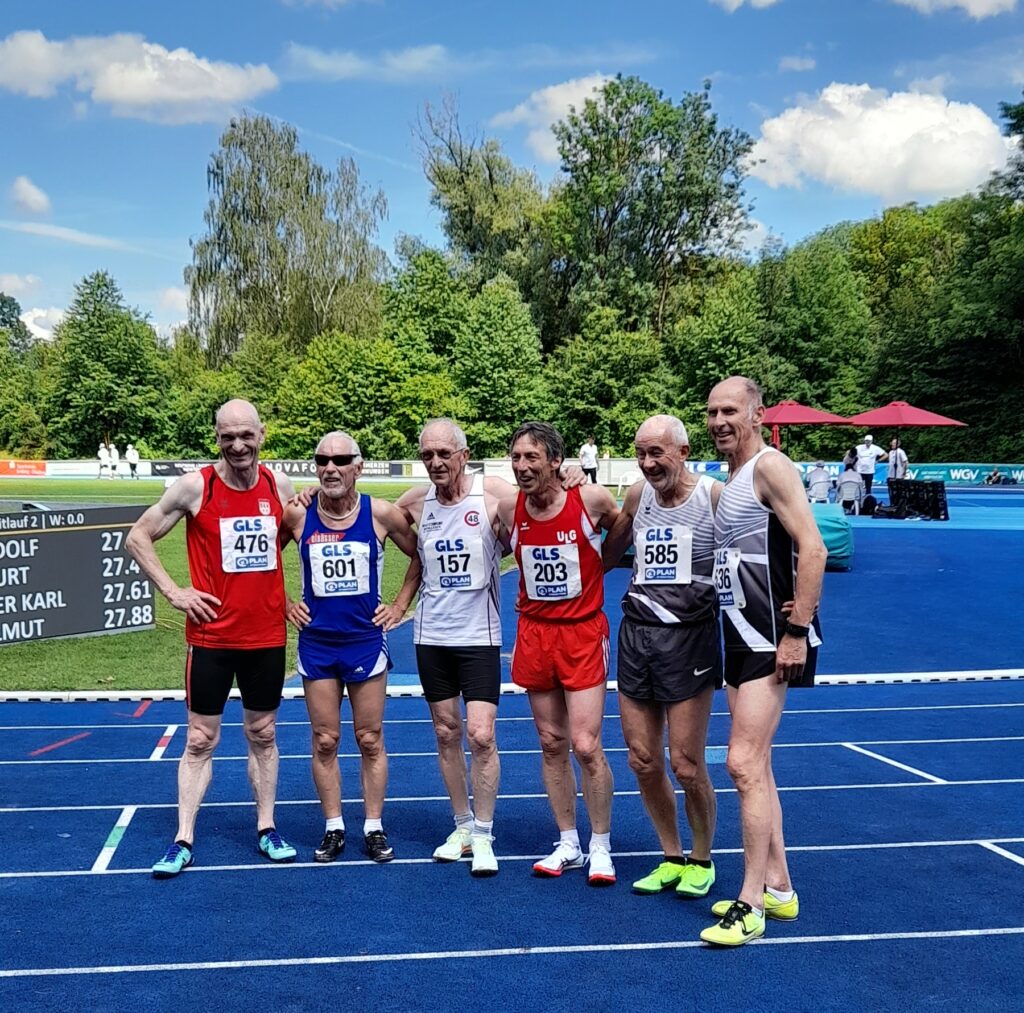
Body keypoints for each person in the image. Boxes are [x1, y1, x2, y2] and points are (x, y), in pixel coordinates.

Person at [126, 399, 297, 878]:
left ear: (262, 434)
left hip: (265, 636)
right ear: (216, 437)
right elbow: (138, 536)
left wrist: (277, 597)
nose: (238, 445)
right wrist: (174, 591)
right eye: (228, 436)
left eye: (246, 435)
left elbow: (276, 545)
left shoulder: (277, 486)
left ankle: (267, 828)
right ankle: (183, 838)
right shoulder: (193, 487)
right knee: (200, 738)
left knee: (263, 734)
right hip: (211, 639)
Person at [701, 376, 826, 947]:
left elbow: (814, 546)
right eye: (711, 412)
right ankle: (779, 888)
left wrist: (797, 630)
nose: (719, 420)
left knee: (742, 764)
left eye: (730, 410)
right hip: (739, 636)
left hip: (774, 639)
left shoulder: (771, 467)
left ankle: (749, 903)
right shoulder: (728, 480)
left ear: (756, 415)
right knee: (760, 766)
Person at [601, 414, 722, 899]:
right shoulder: (637, 495)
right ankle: (671, 855)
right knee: (642, 758)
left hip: (689, 638)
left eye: (658, 453)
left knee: (686, 762)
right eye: (641, 453)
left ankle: (702, 858)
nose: (649, 463)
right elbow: (608, 554)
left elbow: (755, 552)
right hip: (638, 636)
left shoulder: (712, 498)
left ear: (684, 452)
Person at [282, 432, 417, 864]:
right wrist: (285, 603)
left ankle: (373, 827)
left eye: (341, 460)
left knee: (370, 738)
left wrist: (399, 604)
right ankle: (334, 826)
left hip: (364, 642)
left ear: (359, 467)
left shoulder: (380, 514)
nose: (331, 468)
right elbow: (261, 559)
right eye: (322, 460)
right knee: (325, 740)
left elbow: (421, 555)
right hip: (318, 644)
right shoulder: (299, 516)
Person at [495, 422, 620, 885]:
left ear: (555, 462)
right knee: (551, 744)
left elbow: (621, 526)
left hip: (582, 633)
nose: (523, 466)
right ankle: (567, 841)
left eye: (532, 458)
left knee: (586, 745)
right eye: (516, 458)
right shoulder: (509, 508)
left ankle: (601, 845)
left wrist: (602, 565)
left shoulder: (589, 499)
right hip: (534, 633)